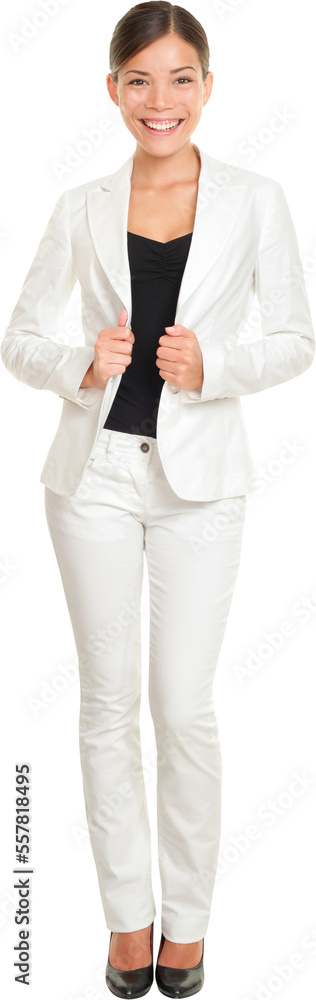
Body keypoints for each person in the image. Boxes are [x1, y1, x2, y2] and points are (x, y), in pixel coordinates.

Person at [2, 2, 314, 997]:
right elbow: (20, 336)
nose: (160, 99)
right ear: (111, 91)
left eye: (180, 78)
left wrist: (212, 363)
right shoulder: (79, 204)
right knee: (104, 709)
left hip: (200, 485)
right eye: (139, 79)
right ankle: (126, 921)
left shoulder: (257, 198)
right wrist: (76, 364)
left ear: (208, 88)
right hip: (91, 480)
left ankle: (190, 923)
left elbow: (297, 336)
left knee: (181, 708)